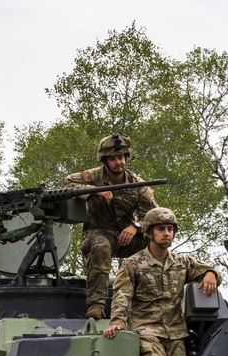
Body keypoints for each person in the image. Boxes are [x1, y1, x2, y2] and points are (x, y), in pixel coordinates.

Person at [104, 207, 219, 356]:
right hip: (146, 331)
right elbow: (122, 295)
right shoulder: (133, 264)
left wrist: (210, 274)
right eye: (161, 229)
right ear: (149, 233)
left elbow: (207, 269)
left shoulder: (181, 263)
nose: (166, 234)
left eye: (170, 229)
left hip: (176, 333)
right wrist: (117, 321)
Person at [63, 133, 158, 319]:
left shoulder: (138, 185)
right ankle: (96, 305)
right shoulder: (94, 176)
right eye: (113, 159)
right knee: (100, 246)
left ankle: (149, 300)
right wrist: (93, 191)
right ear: (104, 161)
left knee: (154, 243)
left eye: (121, 158)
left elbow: (152, 216)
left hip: (127, 235)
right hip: (98, 232)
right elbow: (67, 181)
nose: (118, 162)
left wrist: (136, 227)